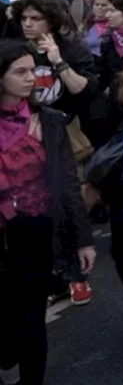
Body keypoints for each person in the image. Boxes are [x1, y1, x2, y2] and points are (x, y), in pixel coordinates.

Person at [0, 40, 95, 385]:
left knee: (32, 319)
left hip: (38, 232)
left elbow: (69, 182)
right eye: (20, 72)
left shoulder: (50, 122)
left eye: (32, 71)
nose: (31, 79)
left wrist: (83, 240)